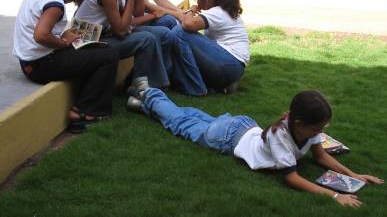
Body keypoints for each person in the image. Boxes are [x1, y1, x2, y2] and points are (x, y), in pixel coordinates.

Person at [126, 79, 384, 207]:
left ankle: (142, 105)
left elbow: (320, 156)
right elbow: (292, 178)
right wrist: (336, 195)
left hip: (241, 127)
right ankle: (148, 92)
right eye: (317, 128)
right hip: (228, 138)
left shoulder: (305, 126)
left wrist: (355, 176)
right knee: (180, 123)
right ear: (299, 123)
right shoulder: (282, 137)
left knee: (191, 117)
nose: (320, 132)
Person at [12, 0, 119, 134]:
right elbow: (40, 35)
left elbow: (38, 30)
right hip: (41, 65)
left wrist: (64, 37)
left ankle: (85, 105)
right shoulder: (55, 3)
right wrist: (63, 42)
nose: (74, 0)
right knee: (109, 57)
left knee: (103, 50)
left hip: (30, 61)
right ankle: (85, 112)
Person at [75, 0, 171, 89]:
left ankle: (147, 83)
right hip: (85, 43)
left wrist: (135, 0)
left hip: (101, 36)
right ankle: (144, 87)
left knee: (161, 33)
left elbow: (128, 22)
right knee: (147, 39)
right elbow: (121, 31)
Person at [172, 0, 250, 94]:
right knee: (184, 36)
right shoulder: (226, 9)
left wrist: (191, 10)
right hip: (235, 66)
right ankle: (219, 85)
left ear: (207, 0)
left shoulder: (218, 12)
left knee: (179, 32)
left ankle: (196, 88)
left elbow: (187, 24)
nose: (196, 1)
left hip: (229, 64)